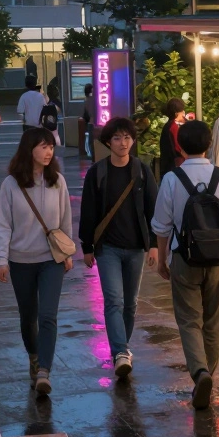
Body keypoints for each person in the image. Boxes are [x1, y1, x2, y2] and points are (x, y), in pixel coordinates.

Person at [151, 120, 219, 410]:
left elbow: (161, 225)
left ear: (179, 146)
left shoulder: (171, 178)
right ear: (209, 145)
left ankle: (200, 373)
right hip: (218, 259)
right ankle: (208, 373)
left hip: (184, 258)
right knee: (213, 320)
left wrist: (163, 257)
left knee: (189, 319)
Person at [0, 128, 73, 398]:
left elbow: (64, 221)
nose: (48, 152)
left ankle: (44, 372)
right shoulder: (11, 185)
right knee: (29, 317)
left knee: (48, 315)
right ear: (29, 150)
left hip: (51, 260)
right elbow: (3, 224)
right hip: (20, 261)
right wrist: (1, 259)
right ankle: (34, 356)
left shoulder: (57, 181)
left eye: (50, 146)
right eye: (42, 147)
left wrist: (67, 253)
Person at [78, 117, 159, 378]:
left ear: (133, 140)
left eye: (127, 137)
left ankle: (120, 348)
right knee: (114, 300)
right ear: (108, 142)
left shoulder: (142, 171)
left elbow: (153, 209)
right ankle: (121, 352)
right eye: (116, 138)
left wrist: (155, 244)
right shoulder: (97, 173)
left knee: (130, 304)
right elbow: (88, 211)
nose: (122, 143)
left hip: (136, 247)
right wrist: (87, 246)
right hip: (107, 248)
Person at [159, 98, 187, 181]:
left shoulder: (168, 125)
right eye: (181, 111)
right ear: (176, 114)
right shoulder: (173, 127)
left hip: (167, 165)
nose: (183, 113)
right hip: (172, 166)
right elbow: (177, 147)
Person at [41, 85, 64, 172]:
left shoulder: (49, 104)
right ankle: (57, 152)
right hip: (55, 124)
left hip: (49, 124)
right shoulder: (57, 103)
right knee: (56, 136)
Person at [81, 84, 95, 158]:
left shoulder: (87, 100)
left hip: (90, 122)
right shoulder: (95, 99)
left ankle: (93, 156)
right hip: (98, 122)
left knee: (91, 142)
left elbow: (86, 114)